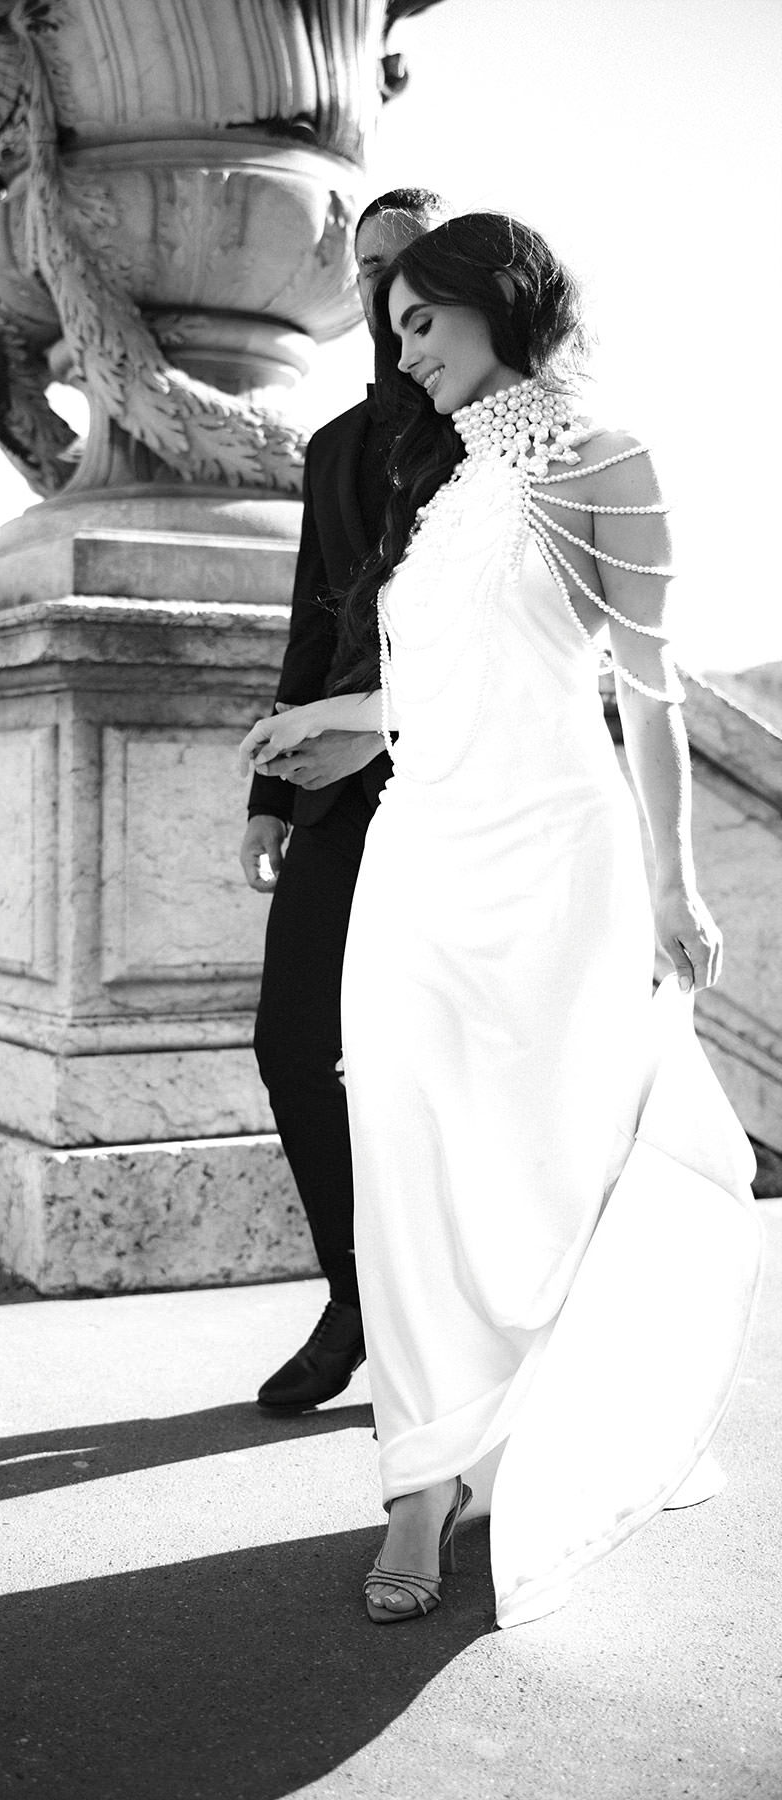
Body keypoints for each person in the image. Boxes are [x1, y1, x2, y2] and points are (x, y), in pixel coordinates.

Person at [239, 212, 760, 1626]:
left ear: (498, 302)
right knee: (404, 1143)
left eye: (421, 320)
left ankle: (533, 1426)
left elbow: (646, 689)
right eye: (393, 327)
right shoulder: (448, 478)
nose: (403, 349)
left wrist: (674, 881)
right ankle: (420, 1479)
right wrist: (340, 724)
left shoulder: (609, 460)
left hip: (557, 862)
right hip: (418, 855)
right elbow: (438, 679)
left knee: (543, 1162)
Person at [242, 187, 447, 1413]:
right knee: (290, 1041)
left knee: (440, 1066)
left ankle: (451, 1321)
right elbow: (312, 626)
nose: (384, 288)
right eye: (367, 268)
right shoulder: (330, 449)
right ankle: (354, 1297)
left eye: (407, 264)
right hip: (333, 802)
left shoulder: (489, 431)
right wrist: (268, 793)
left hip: (458, 790)